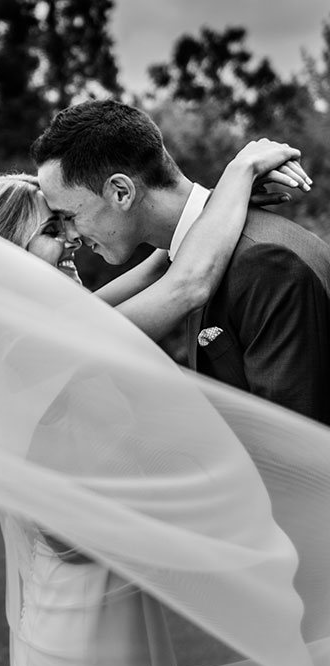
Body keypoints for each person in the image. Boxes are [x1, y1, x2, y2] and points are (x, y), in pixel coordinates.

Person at [0, 139, 309, 666]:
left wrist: (206, 203)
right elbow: (187, 285)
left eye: (65, 222)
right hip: (78, 622)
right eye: (50, 231)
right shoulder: (32, 348)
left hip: (105, 598)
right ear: (5, 259)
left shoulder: (41, 330)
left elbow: (166, 261)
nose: (71, 237)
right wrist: (241, 167)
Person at [31, 99, 330, 426]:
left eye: (69, 216)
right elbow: (185, 284)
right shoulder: (200, 263)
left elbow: (294, 446)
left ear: (120, 192)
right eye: (54, 225)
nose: (70, 236)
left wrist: (220, 199)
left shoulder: (264, 262)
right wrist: (236, 175)